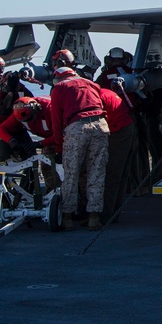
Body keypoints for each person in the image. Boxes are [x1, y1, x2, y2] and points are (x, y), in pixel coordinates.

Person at [49, 67, 110, 231]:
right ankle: (94, 217)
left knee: (71, 173)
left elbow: (56, 120)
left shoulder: (60, 88)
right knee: (97, 172)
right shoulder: (92, 84)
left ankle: (67, 217)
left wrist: (58, 146)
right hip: (101, 126)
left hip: (77, 127)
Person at [99, 87, 138, 224]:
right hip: (126, 128)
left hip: (118, 131)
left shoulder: (96, 98)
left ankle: (105, 214)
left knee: (112, 174)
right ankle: (114, 212)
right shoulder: (105, 93)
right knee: (121, 174)